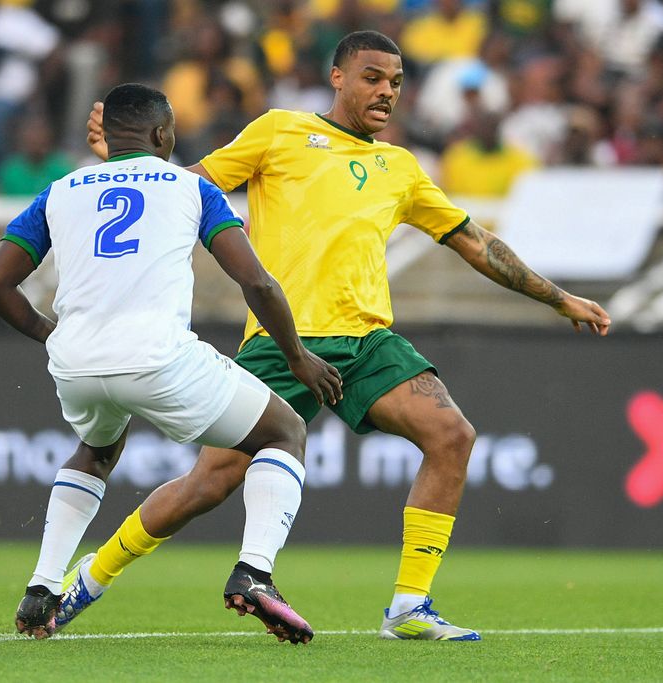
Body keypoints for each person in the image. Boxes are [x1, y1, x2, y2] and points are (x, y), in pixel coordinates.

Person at [83, 30, 611, 641]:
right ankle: (88, 579)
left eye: (396, 82)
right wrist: (122, 163)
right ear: (337, 77)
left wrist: (559, 297)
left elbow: (477, 243)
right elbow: (181, 192)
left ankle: (409, 607)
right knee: (210, 482)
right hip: (286, 343)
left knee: (451, 435)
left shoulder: (401, 168)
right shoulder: (279, 130)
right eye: (372, 77)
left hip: (366, 343)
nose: (386, 91)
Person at [0, 83, 342, 644]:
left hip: (74, 362)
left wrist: (50, 335)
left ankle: (44, 586)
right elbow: (256, 281)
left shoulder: (61, 189)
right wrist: (298, 358)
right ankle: (256, 572)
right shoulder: (192, 187)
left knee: (97, 449)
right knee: (284, 432)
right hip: (157, 358)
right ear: (163, 134)